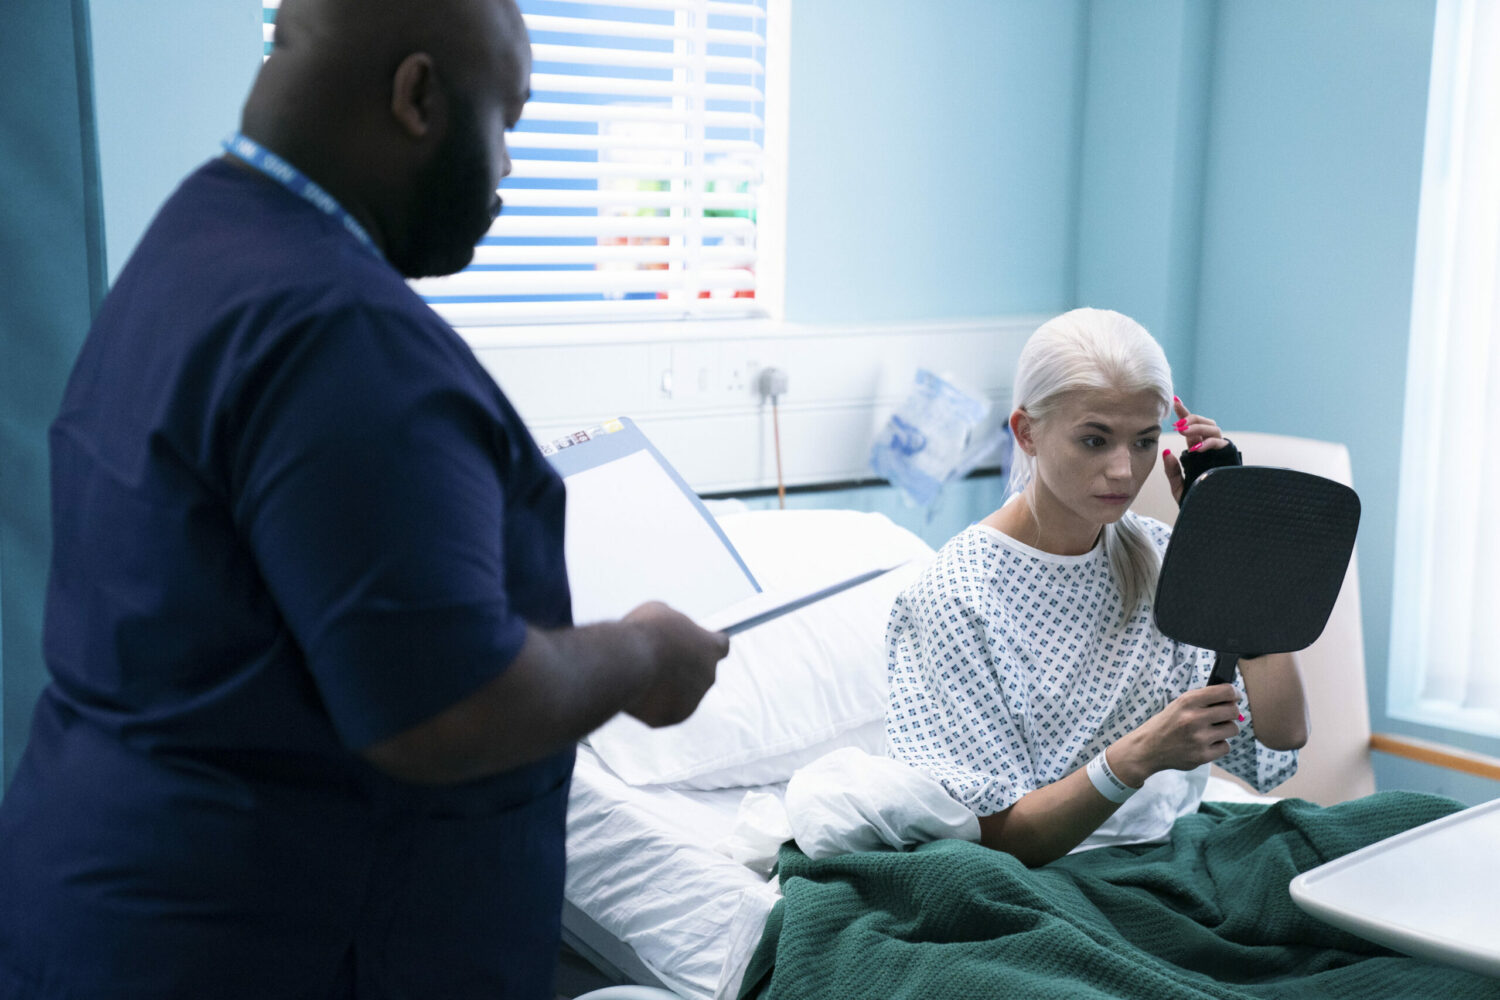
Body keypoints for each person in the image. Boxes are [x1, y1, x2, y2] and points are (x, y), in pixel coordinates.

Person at [0, 1, 729, 996]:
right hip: (270, 943)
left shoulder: (195, 248)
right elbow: (447, 708)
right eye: (506, 123)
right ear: (418, 95)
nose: (510, 171)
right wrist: (642, 652)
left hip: (106, 902)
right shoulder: (337, 329)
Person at [885, 308, 1308, 867]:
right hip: (1053, 876)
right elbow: (996, 841)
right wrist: (1135, 758)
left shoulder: (1162, 557)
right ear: (1026, 432)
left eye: (1142, 442)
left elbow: (1283, 733)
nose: (1123, 472)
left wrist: (1229, 545)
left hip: (1171, 849)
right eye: (1094, 440)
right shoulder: (957, 596)